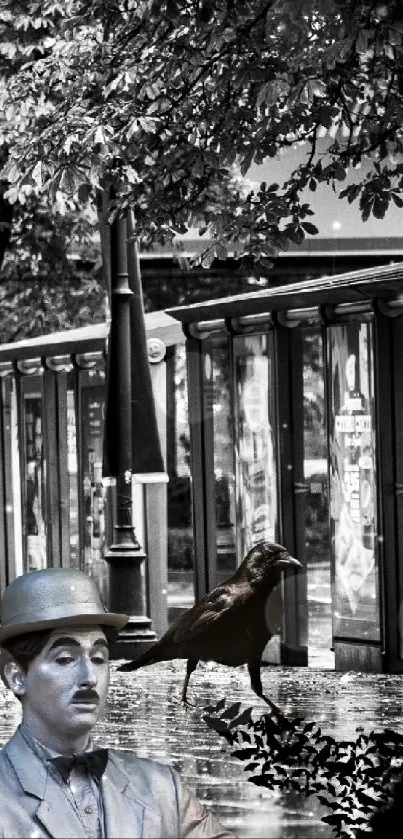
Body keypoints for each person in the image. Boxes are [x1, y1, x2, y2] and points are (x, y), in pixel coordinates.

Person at [0, 567, 237, 838]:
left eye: (99, 658)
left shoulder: (163, 790)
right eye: (65, 658)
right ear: (17, 677)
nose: (89, 677)